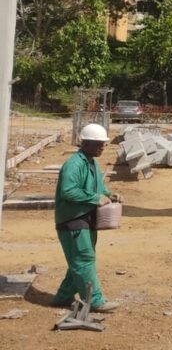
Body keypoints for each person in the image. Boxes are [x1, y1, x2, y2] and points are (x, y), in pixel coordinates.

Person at [51, 123, 121, 312]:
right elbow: (68, 191)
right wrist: (95, 198)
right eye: (98, 144)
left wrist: (109, 194)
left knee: (80, 259)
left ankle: (63, 296)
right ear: (86, 143)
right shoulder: (73, 165)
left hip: (86, 218)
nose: (103, 147)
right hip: (72, 220)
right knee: (83, 259)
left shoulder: (91, 163)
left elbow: (98, 187)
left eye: (103, 143)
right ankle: (95, 301)